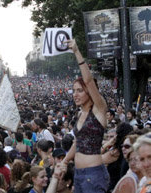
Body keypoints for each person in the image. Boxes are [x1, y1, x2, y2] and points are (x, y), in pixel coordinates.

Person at [62, 39, 109, 193]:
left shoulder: (99, 109)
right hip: (79, 175)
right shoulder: (80, 113)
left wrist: (76, 52)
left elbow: (88, 81)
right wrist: (64, 161)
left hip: (94, 174)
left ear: (90, 92)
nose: (75, 94)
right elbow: (77, 143)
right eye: (74, 90)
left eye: (79, 90)